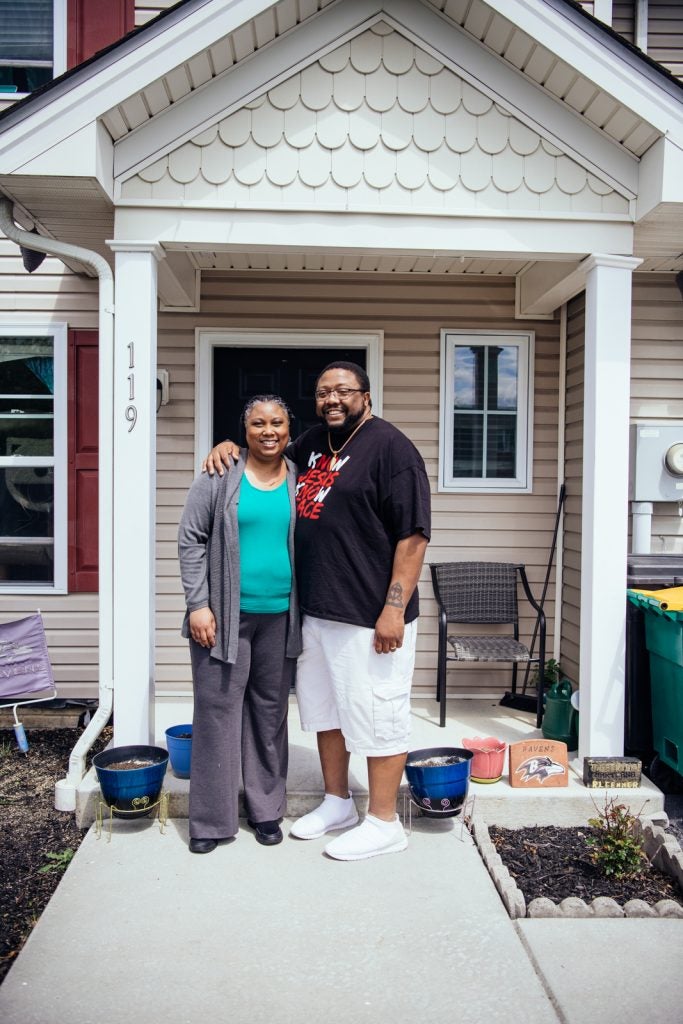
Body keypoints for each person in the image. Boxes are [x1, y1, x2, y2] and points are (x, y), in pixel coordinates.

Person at [204, 362, 430, 861]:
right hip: (316, 612)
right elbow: (265, 446)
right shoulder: (311, 443)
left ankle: (385, 821)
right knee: (327, 712)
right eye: (324, 392)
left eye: (343, 391)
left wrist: (393, 610)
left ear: (365, 396)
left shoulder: (392, 450)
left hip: (370, 615)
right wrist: (228, 447)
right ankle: (337, 801)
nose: (332, 399)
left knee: (378, 713)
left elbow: (413, 537)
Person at [178, 395, 301, 854]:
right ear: (243, 429)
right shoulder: (219, 474)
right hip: (222, 618)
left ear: (290, 429)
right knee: (216, 716)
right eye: (257, 423)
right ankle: (210, 822)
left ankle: (267, 811)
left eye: (277, 422)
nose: (268, 431)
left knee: (270, 715)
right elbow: (190, 538)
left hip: (280, 617)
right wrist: (198, 604)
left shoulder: (300, 479)